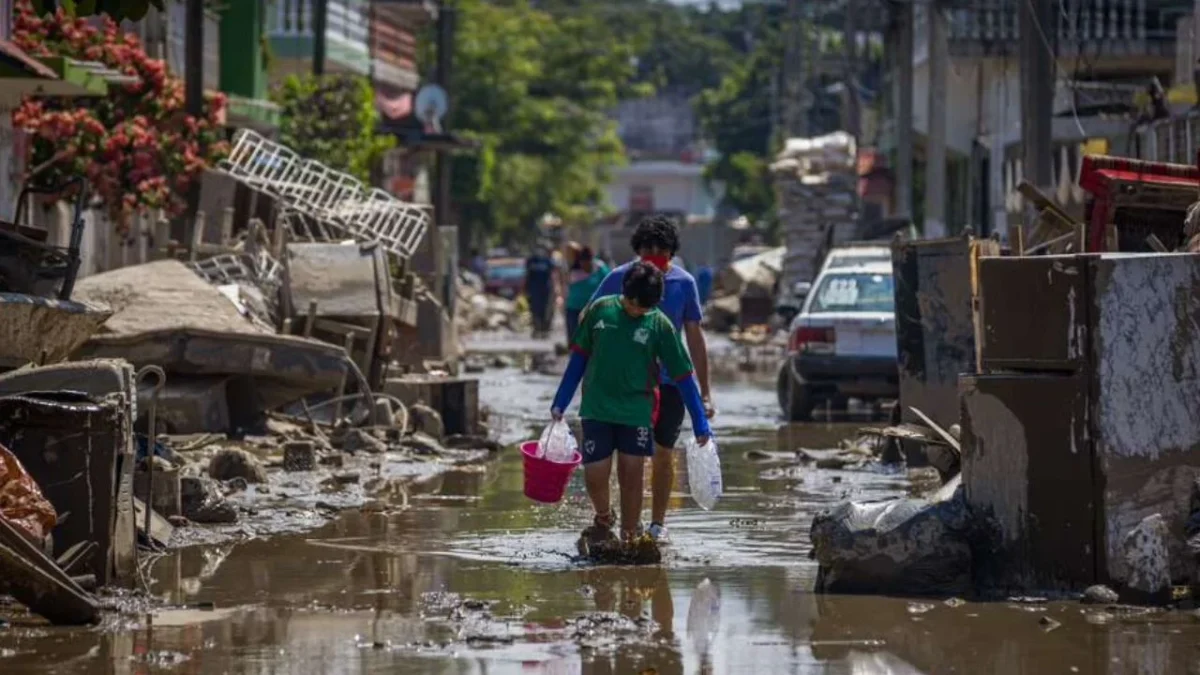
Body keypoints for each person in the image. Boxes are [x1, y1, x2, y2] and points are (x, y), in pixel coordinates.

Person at [552, 261, 712, 545]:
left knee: (632, 473)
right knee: (595, 473)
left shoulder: (659, 325)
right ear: (624, 293)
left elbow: (684, 376)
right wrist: (560, 402)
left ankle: (629, 537)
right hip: (597, 406)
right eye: (632, 305)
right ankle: (603, 516)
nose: (637, 311)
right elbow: (578, 358)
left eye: (644, 308)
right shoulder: (600, 311)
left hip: (637, 410)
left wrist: (700, 421)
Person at [587, 215, 714, 544]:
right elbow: (591, 319)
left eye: (662, 250)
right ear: (637, 251)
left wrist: (705, 393)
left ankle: (657, 523)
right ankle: (626, 521)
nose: (654, 255)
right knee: (630, 456)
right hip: (629, 386)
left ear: (672, 253)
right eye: (648, 249)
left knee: (661, 453)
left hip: (671, 383)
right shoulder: (618, 278)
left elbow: (695, 339)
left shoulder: (684, 284)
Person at [564, 244, 609, 344]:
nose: (585, 266)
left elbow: (609, 284)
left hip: (593, 310)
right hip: (573, 309)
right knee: (574, 339)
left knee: (592, 340)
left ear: (591, 260)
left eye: (587, 263)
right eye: (582, 263)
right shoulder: (573, 269)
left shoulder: (600, 268)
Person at [523, 242, 556, 339]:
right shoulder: (531, 261)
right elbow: (527, 275)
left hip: (545, 289)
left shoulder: (548, 261)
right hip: (534, 290)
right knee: (534, 309)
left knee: (546, 310)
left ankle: (544, 328)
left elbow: (553, 275)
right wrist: (525, 288)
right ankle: (536, 328)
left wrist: (555, 289)